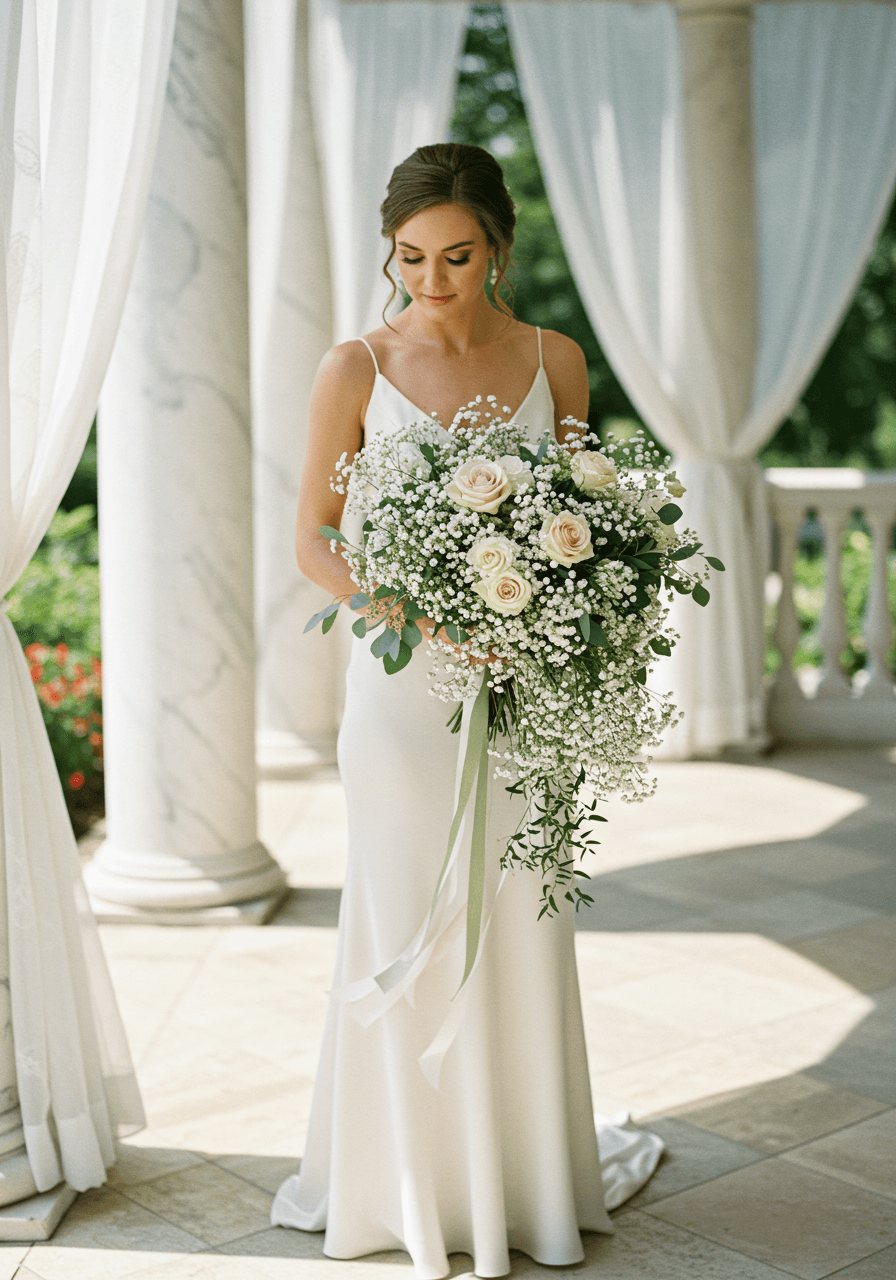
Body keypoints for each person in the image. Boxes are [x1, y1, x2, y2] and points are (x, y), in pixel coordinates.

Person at [271, 143, 662, 1279]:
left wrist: (576, 597)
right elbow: (312, 539)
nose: (428, 281)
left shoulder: (554, 358)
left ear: (497, 247)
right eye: (408, 257)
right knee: (403, 914)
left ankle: (525, 1183)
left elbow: (587, 510)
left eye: (454, 256)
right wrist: (423, 613)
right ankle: (402, 1181)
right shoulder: (354, 364)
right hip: (400, 691)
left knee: (522, 912)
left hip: (526, 688)